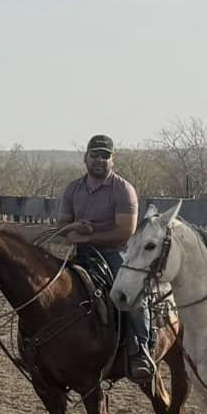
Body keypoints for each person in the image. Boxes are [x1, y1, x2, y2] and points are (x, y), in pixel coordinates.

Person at [54, 133, 152, 387]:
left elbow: (125, 231)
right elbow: (61, 227)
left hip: (116, 254)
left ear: (113, 160)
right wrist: (74, 226)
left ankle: (140, 348)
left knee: (132, 295)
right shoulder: (73, 189)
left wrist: (88, 236)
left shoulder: (123, 189)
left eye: (105, 156)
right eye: (95, 155)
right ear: (86, 158)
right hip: (81, 255)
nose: (99, 160)